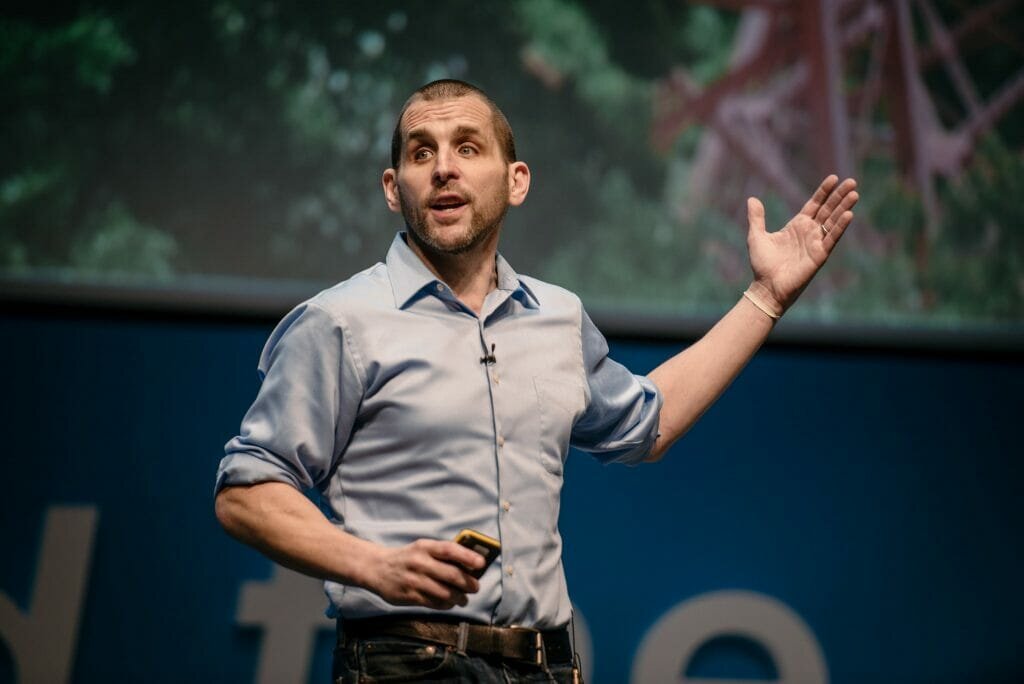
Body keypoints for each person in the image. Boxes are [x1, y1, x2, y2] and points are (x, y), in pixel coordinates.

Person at [214, 79, 858, 683]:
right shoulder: (341, 321)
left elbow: (650, 422)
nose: (443, 168)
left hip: (546, 665)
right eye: (421, 152)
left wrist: (766, 297)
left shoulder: (557, 317)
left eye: (468, 148)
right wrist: (374, 565)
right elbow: (246, 491)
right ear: (393, 187)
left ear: (516, 180)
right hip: (403, 661)